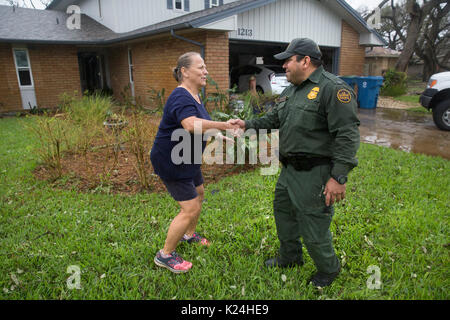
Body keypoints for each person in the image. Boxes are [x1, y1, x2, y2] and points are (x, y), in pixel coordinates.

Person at [229, 38, 360, 287]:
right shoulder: (291, 90)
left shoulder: (332, 89)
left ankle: (328, 269)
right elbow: (273, 119)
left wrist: (339, 176)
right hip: (288, 171)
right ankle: (291, 257)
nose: (284, 66)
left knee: (313, 224)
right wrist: (246, 124)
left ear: (305, 61)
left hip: (315, 173)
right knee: (284, 216)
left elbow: (347, 134)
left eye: (288, 60)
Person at [150, 52, 236, 273]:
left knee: (199, 193)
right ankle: (165, 255)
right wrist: (225, 125)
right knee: (190, 207)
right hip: (172, 160)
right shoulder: (181, 96)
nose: (206, 71)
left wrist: (217, 133)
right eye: (201, 67)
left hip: (188, 157)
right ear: (185, 72)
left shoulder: (195, 96)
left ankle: (189, 235)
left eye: (206, 67)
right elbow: (189, 124)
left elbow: (199, 126)